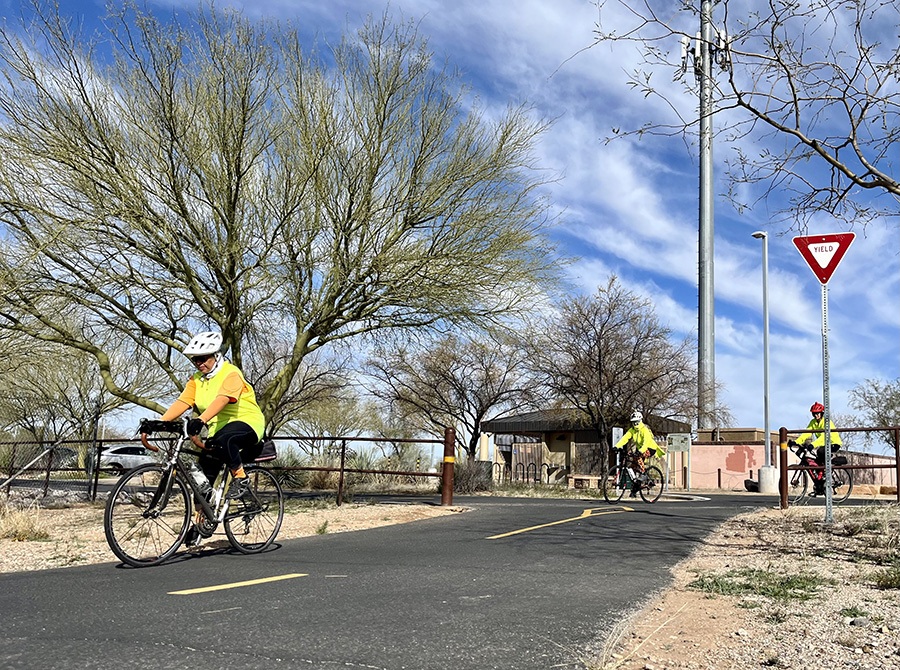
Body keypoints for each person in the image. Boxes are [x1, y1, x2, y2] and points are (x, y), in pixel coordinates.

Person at [154, 330, 266, 504]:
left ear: (216, 355)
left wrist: (200, 420)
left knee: (226, 440)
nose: (199, 363)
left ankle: (240, 477)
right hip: (218, 430)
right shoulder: (196, 380)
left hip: (247, 423)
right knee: (201, 485)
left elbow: (222, 399)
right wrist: (159, 423)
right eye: (195, 359)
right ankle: (199, 526)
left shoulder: (231, 373)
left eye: (203, 358)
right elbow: (183, 402)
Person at [793, 401, 842, 495]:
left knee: (820, 451)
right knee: (815, 458)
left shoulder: (827, 422)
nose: (816, 416)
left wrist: (813, 444)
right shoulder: (813, 422)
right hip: (824, 444)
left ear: (822, 413)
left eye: (817, 413)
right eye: (814, 414)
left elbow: (824, 436)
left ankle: (826, 476)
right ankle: (819, 484)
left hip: (833, 443)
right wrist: (797, 442)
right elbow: (806, 433)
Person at [614, 411, 665, 496]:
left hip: (650, 448)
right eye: (633, 422)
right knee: (632, 466)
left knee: (638, 458)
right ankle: (635, 487)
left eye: (637, 421)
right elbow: (625, 438)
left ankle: (644, 474)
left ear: (640, 420)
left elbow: (646, 443)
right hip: (640, 449)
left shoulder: (645, 430)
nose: (635, 424)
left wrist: (640, 451)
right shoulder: (632, 430)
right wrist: (617, 446)